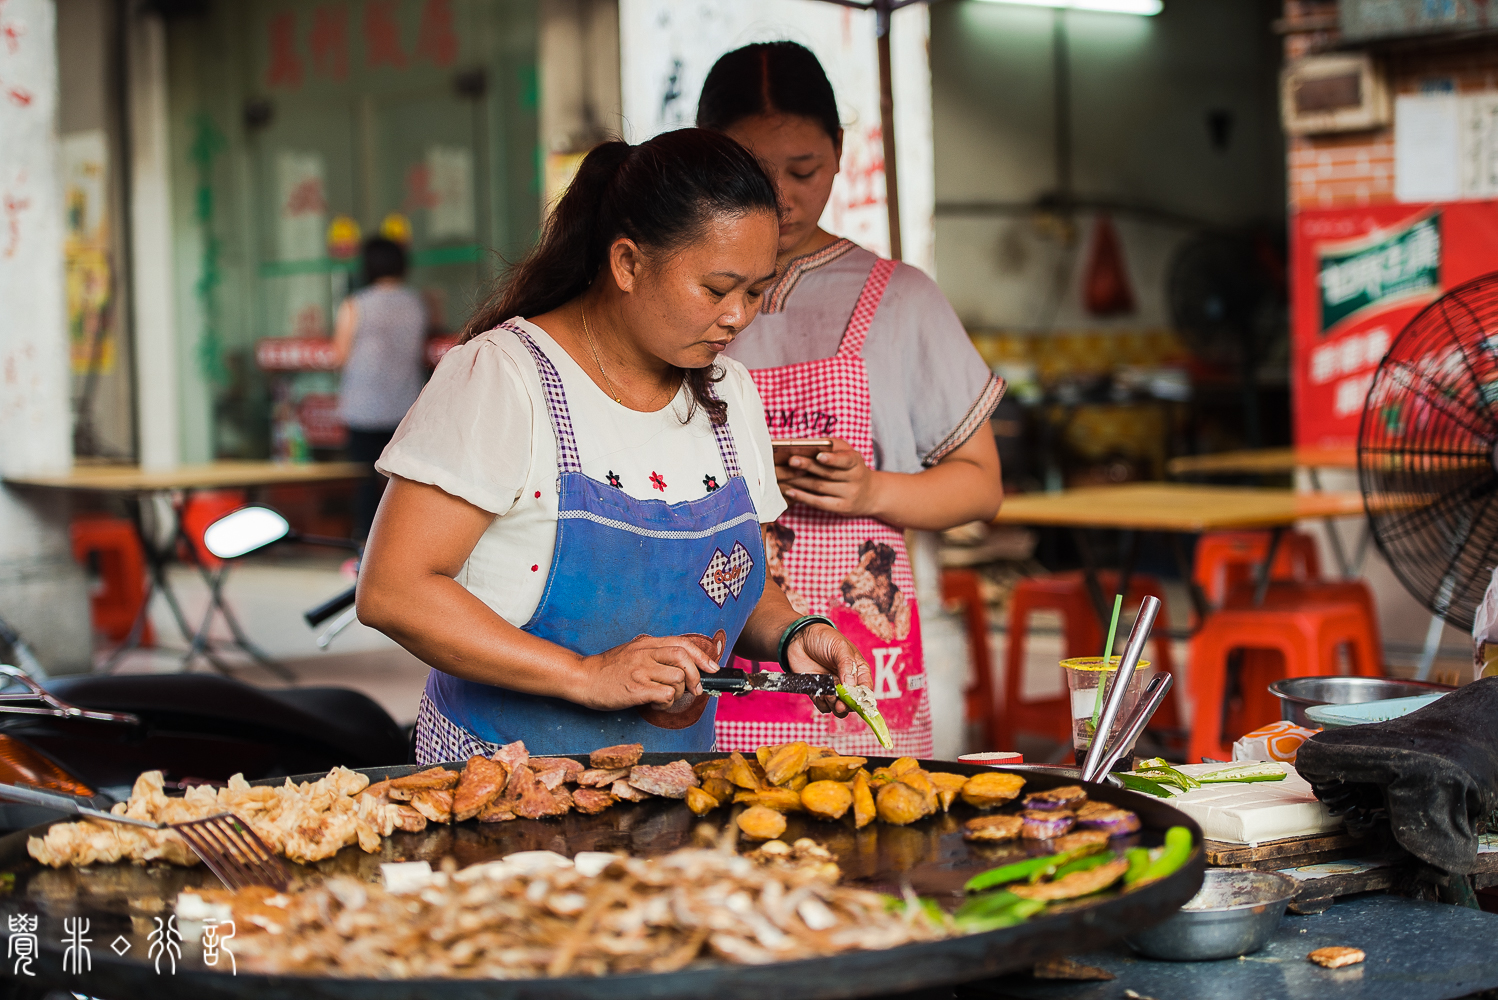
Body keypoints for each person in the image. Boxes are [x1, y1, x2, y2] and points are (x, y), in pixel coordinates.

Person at [355, 128, 872, 761]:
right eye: (716, 289)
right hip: (502, 779)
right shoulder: (505, 378)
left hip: (670, 781)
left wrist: (794, 631)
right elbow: (394, 591)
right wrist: (584, 675)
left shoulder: (729, 393)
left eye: (755, 291)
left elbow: (737, 583)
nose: (738, 316)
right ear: (627, 263)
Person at [697, 42, 1006, 758]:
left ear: (839, 151)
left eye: (804, 170)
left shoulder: (901, 299)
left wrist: (872, 489)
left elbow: (982, 485)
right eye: (755, 172)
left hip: (861, 657)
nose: (782, 196)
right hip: (714, 654)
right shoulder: (682, 302)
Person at [332, 237, 428, 541]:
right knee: (402, 482)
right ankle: (400, 542)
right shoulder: (417, 303)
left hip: (363, 407)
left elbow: (339, 355)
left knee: (363, 480)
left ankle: (366, 544)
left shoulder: (355, 304)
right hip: (405, 405)